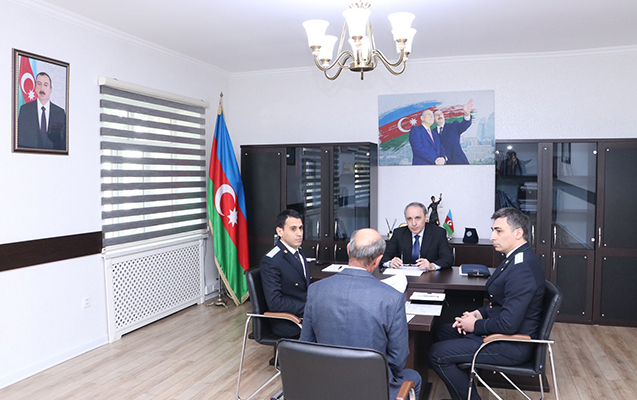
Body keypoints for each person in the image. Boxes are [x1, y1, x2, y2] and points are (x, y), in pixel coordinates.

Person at [429, 208, 545, 400]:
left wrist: (474, 325)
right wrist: (478, 313)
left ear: (518, 233)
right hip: (502, 333)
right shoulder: (515, 257)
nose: (492, 237)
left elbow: (508, 324)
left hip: (511, 344)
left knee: (437, 354)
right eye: (493, 230)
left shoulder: (522, 268)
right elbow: (499, 304)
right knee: (441, 332)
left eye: (499, 231)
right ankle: (464, 391)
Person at [300, 228, 422, 400]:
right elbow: (397, 359)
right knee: (414, 377)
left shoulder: (316, 290)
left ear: (348, 250)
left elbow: (306, 344)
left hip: (325, 384)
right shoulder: (392, 298)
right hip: (372, 387)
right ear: (378, 260)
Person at [260, 209, 309, 338]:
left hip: (304, 315)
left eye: (301, 228)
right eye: (293, 229)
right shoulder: (272, 260)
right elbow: (275, 303)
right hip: (289, 322)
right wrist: (309, 308)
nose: (299, 233)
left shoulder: (298, 252)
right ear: (280, 231)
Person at [381, 202, 453, 270]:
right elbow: (384, 257)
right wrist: (390, 263)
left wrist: (432, 266)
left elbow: (448, 259)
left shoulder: (438, 233)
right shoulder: (398, 233)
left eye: (417, 218)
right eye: (409, 219)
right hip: (405, 275)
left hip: (430, 276)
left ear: (426, 217)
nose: (414, 223)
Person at [17, 72, 67, 150]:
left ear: (51, 89)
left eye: (45, 85)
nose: (42, 89)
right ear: (35, 87)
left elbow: (63, 143)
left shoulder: (60, 113)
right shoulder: (25, 110)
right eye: (39, 84)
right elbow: (20, 139)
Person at [434, 99, 473, 165]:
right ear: (433, 120)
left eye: (441, 114)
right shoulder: (431, 133)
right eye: (436, 115)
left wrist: (467, 115)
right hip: (441, 167)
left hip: (459, 163)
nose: (439, 115)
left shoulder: (453, 126)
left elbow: (464, 125)